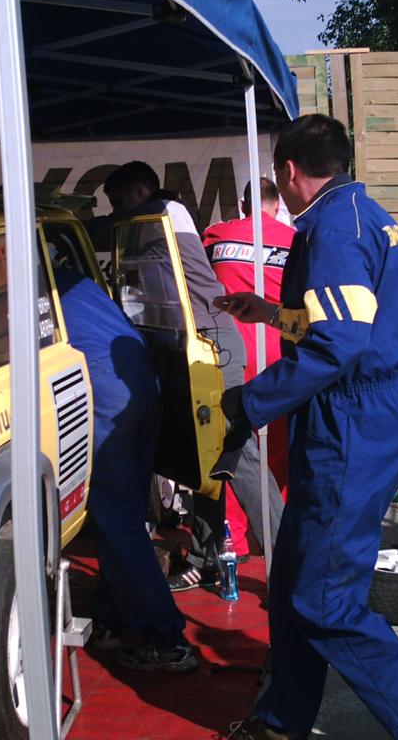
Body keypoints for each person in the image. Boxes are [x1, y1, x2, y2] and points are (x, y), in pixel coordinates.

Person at [215, 114, 398, 740]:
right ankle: (281, 721)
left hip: (355, 420)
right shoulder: (362, 215)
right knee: (295, 577)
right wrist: (271, 313)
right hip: (369, 408)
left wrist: (249, 402)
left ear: (288, 170)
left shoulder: (332, 229)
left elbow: (338, 344)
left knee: (322, 597)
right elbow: (345, 322)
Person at [100, 162, 283, 593]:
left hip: (213, 345)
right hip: (190, 344)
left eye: (120, 202)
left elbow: (120, 226)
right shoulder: (150, 226)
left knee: (237, 452)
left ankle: (288, 561)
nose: (117, 213)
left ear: (141, 192)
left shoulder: (168, 212)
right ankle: (207, 556)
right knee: (204, 458)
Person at [51, 266, 197, 673]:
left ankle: (167, 638)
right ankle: (110, 618)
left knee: (116, 520)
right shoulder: (66, 274)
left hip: (105, 391)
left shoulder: (21, 281)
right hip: (138, 380)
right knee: (124, 516)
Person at [203, 177, 295, 562]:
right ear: (277, 205)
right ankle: (277, 531)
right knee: (279, 446)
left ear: (243, 205)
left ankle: (234, 540)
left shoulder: (216, 236)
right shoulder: (295, 240)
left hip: (231, 353)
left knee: (234, 448)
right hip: (279, 350)